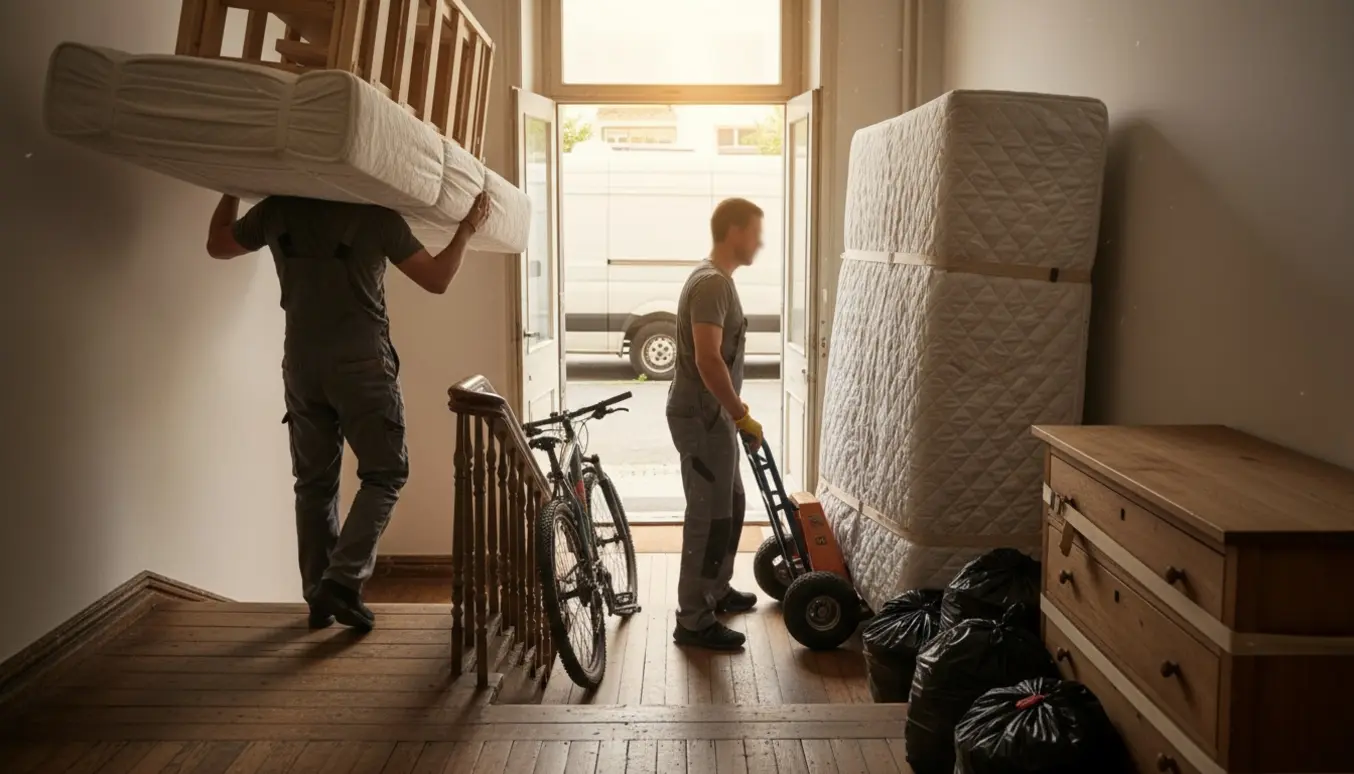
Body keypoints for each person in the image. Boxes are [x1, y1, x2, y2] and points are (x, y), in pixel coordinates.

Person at [205, 192, 492, 631]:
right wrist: (468, 228)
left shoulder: (276, 210)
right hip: (363, 366)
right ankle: (340, 582)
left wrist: (231, 188)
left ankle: (319, 596)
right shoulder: (377, 218)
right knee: (385, 474)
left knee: (313, 484)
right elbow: (437, 278)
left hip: (302, 365)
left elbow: (218, 245)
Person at [667, 197, 766, 651]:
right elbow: (708, 359)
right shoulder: (712, 285)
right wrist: (739, 413)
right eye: (755, 233)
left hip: (716, 415)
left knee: (732, 503)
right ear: (734, 232)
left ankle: (717, 589)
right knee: (708, 517)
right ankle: (693, 619)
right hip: (702, 418)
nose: (759, 243)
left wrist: (736, 410)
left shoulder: (719, 281)